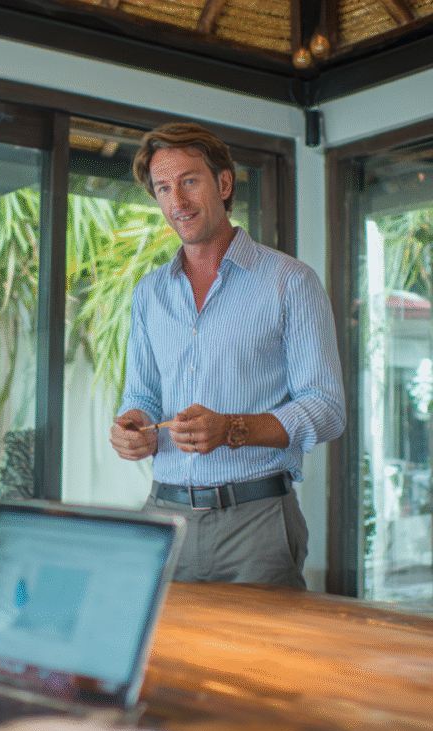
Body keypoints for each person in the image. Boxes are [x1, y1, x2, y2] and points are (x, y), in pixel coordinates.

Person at [109, 122, 345, 589]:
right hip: (165, 518)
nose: (177, 200)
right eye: (163, 187)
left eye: (189, 180)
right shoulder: (149, 293)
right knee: (163, 661)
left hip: (257, 525)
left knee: (266, 663)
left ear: (223, 183)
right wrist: (134, 425)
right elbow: (142, 394)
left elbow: (327, 408)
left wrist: (231, 429)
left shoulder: (290, 281)